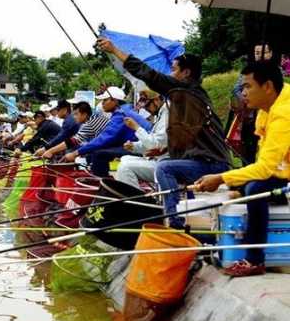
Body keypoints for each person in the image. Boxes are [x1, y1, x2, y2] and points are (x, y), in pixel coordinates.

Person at [96, 38, 230, 226]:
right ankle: (167, 213)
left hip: (213, 165)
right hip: (204, 160)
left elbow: (148, 74)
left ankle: (172, 220)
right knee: (164, 163)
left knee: (164, 167)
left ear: (186, 73)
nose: (169, 74)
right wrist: (161, 150)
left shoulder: (184, 92)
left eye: (174, 69)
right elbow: (184, 137)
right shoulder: (190, 96)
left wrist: (114, 50)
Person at [195, 61, 290, 277]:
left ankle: (254, 260)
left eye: (248, 86)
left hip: (283, 173)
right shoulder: (269, 105)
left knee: (255, 188)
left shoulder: (284, 113)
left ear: (267, 86)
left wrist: (220, 178)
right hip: (282, 170)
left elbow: (266, 169)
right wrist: (232, 180)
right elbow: (264, 158)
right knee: (243, 183)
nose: (243, 92)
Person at [63, 86, 152, 177]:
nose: (102, 104)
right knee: (93, 152)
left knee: (99, 154)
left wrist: (76, 153)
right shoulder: (123, 111)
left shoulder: (121, 114)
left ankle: (103, 185)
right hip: (138, 145)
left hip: (143, 149)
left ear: (114, 101)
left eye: (105, 100)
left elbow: (104, 139)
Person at [115, 89, 169, 188]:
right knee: (125, 159)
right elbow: (153, 142)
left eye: (147, 105)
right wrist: (134, 146)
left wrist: (136, 127)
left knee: (125, 168)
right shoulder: (160, 114)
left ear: (156, 100)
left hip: (166, 163)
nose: (146, 109)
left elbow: (155, 145)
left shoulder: (167, 115)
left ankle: (135, 201)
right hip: (159, 159)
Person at [42, 101, 109, 160]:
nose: (74, 117)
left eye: (76, 114)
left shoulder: (90, 123)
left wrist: (50, 151)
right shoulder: (95, 116)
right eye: (74, 114)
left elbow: (73, 141)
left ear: (84, 114)